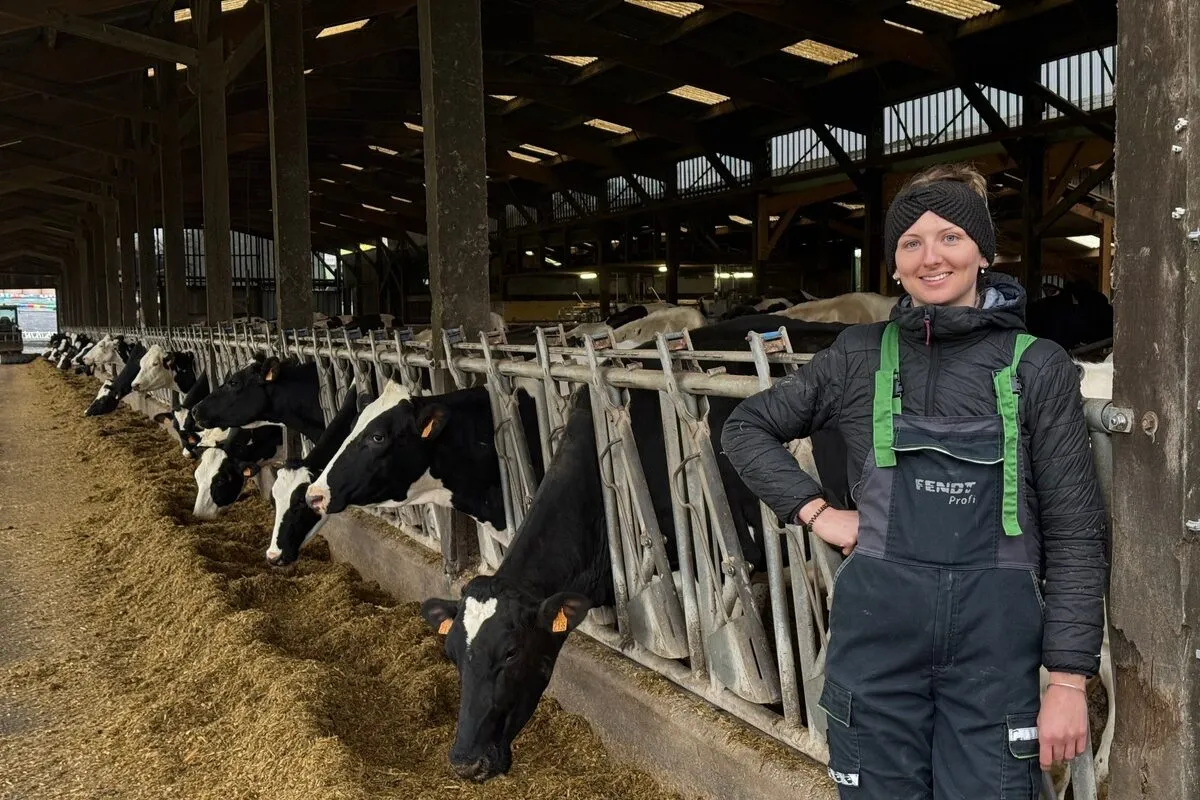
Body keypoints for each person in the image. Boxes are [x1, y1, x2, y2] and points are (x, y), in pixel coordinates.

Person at [720, 163, 1108, 799]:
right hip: (877, 642)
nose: (931, 258)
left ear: (984, 253)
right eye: (911, 243)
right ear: (894, 265)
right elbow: (746, 427)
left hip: (994, 655)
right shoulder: (858, 354)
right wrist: (817, 511)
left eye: (950, 237)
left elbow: (1073, 531)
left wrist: (1067, 680)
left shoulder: (1037, 368)